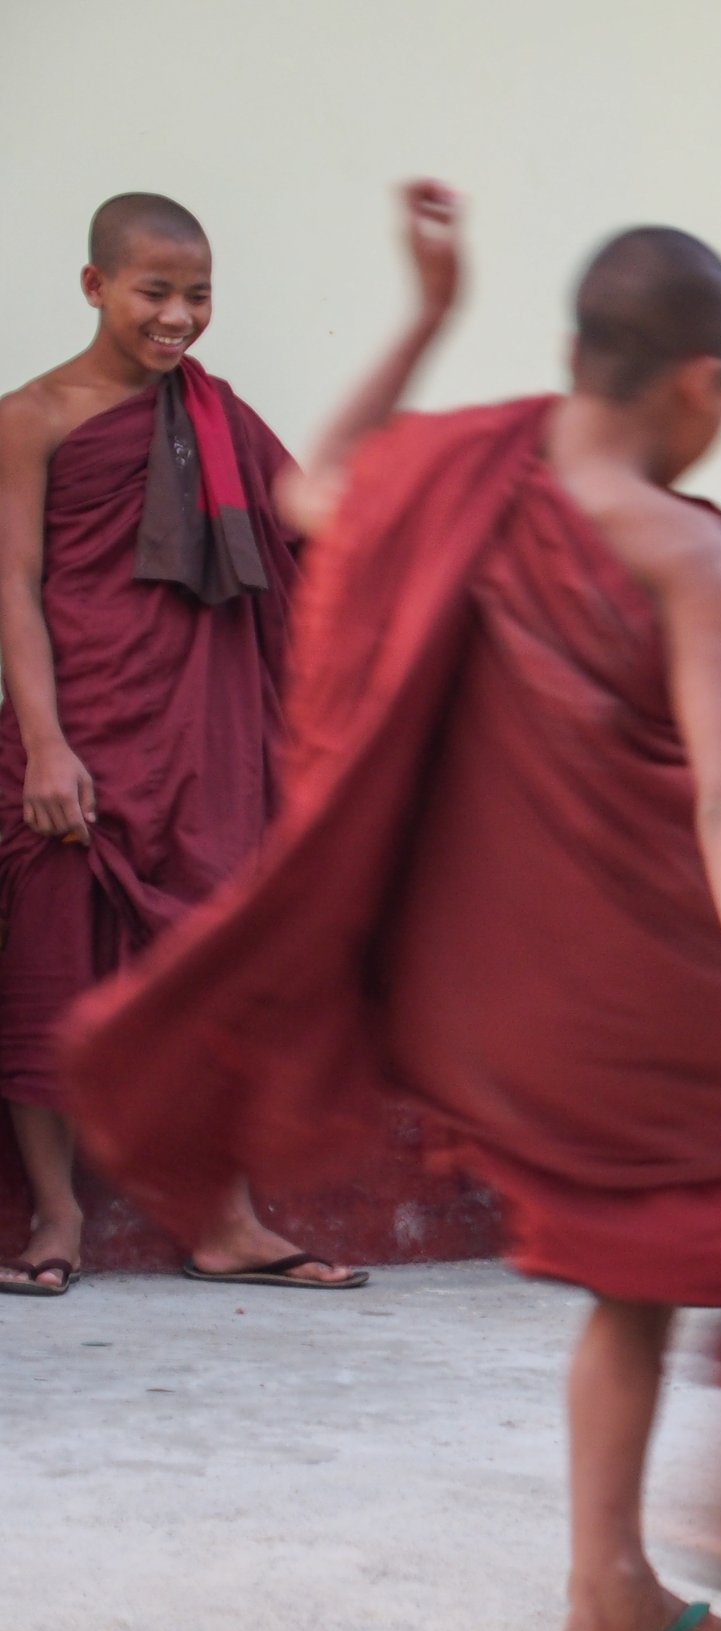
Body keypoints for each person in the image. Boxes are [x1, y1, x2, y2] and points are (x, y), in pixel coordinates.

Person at [59, 210, 721, 1631]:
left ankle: (610, 1597)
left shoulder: (464, 478)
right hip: (656, 976)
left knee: (634, 1274)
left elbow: (311, 496)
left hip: (499, 1005)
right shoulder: (683, 552)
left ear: (569, 357)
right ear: (704, 388)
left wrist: (422, 315)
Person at [0, 187, 454, 1297]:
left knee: (219, 973)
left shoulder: (218, 413)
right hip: (79, 732)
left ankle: (226, 1219)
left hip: (209, 739)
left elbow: (311, 517)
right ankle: (55, 1213)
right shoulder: (33, 417)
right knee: (51, 971)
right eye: (155, 292)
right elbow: (11, 586)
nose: (180, 318)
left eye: (198, 295)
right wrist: (48, 744)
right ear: (95, 285)